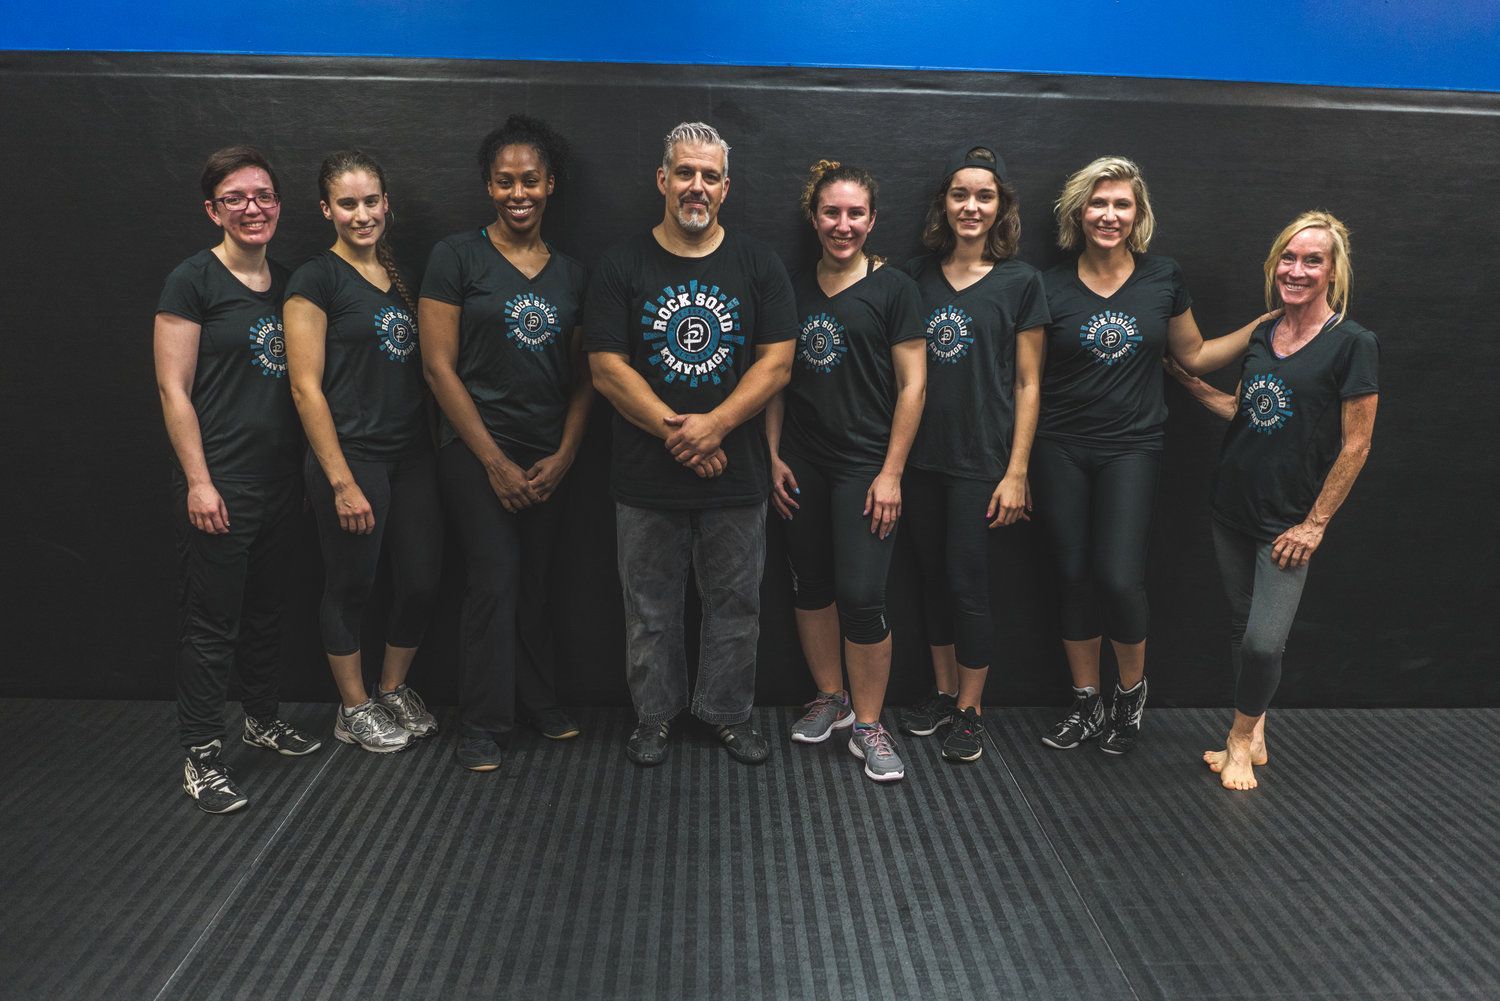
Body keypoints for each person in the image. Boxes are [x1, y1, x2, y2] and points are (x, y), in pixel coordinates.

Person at [1035, 156, 1274, 755]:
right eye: (1098, 203)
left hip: (1132, 447)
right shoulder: (1048, 284)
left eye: (1122, 204)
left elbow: (1191, 355)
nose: (1109, 215)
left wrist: (1264, 326)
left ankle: (1130, 695)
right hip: (1059, 445)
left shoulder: (1162, 277)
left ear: (1138, 215)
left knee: (1118, 577)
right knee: (1071, 575)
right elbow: (1027, 378)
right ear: (1078, 212)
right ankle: (1086, 700)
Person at [586, 121, 797, 767]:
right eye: (685, 172)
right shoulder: (621, 263)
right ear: (663, 179)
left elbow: (777, 363)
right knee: (649, 609)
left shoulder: (758, 263)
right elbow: (606, 367)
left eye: (709, 175)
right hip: (645, 475)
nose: (696, 186)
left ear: (725, 187)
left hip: (737, 475)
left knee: (736, 606)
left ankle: (727, 714)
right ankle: (654, 717)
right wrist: (685, 433)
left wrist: (718, 424)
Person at [1168, 211, 1377, 790]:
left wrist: (1315, 524)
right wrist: (1189, 384)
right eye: (1288, 258)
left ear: (1333, 272)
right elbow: (1249, 410)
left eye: (1312, 260)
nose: (1297, 269)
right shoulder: (1264, 333)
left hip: (1289, 521)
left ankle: (1238, 738)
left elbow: (1357, 445)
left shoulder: (1353, 344)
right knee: (1241, 626)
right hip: (1231, 507)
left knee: (1264, 641)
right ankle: (1253, 728)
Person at [421, 116, 593, 772]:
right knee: (494, 577)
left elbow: (585, 378)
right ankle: (485, 720)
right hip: (473, 450)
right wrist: (493, 461)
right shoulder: (456, 257)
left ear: (550, 184)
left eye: (529, 180)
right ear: (487, 187)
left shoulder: (574, 274)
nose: (517, 192)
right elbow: (438, 367)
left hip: (548, 454)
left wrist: (567, 454)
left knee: (540, 582)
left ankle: (540, 697)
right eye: (503, 181)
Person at [155, 146, 321, 814]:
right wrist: (199, 480)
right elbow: (173, 388)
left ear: (278, 204)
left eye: (263, 195)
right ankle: (201, 755)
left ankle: (260, 716)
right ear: (212, 211)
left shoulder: (289, 283)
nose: (252, 207)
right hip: (220, 481)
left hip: (282, 480)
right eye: (235, 198)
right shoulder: (192, 281)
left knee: (268, 611)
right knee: (212, 624)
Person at [893, 144, 1048, 763]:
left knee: (968, 583)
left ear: (1000, 207)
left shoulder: (1020, 282)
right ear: (944, 204)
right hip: (920, 458)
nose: (971, 206)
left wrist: (1017, 472)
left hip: (980, 461)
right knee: (929, 580)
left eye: (984, 196)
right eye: (961, 194)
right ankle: (941, 692)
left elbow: (1030, 382)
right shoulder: (913, 277)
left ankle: (971, 709)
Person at [772, 161, 926, 782]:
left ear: (872, 219)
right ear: (814, 218)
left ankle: (868, 724)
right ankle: (830, 698)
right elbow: (776, 380)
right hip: (803, 460)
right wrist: (774, 454)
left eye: (855, 213)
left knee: (862, 597)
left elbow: (914, 386)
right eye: (831, 213)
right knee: (811, 585)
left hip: (866, 464)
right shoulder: (790, 288)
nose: (843, 225)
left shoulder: (894, 290)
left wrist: (891, 473)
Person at [285, 151, 441, 754]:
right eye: (347, 203)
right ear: (327, 210)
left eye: (371, 200)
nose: (362, 214)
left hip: (412, 457)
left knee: (423, 581)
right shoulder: (315, 279)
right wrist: (341, 480)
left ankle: (392, 686)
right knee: (352, 586)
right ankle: (352, 708)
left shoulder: (398, 275)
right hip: (351, 459)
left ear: (386, 203)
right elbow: (304, 387)